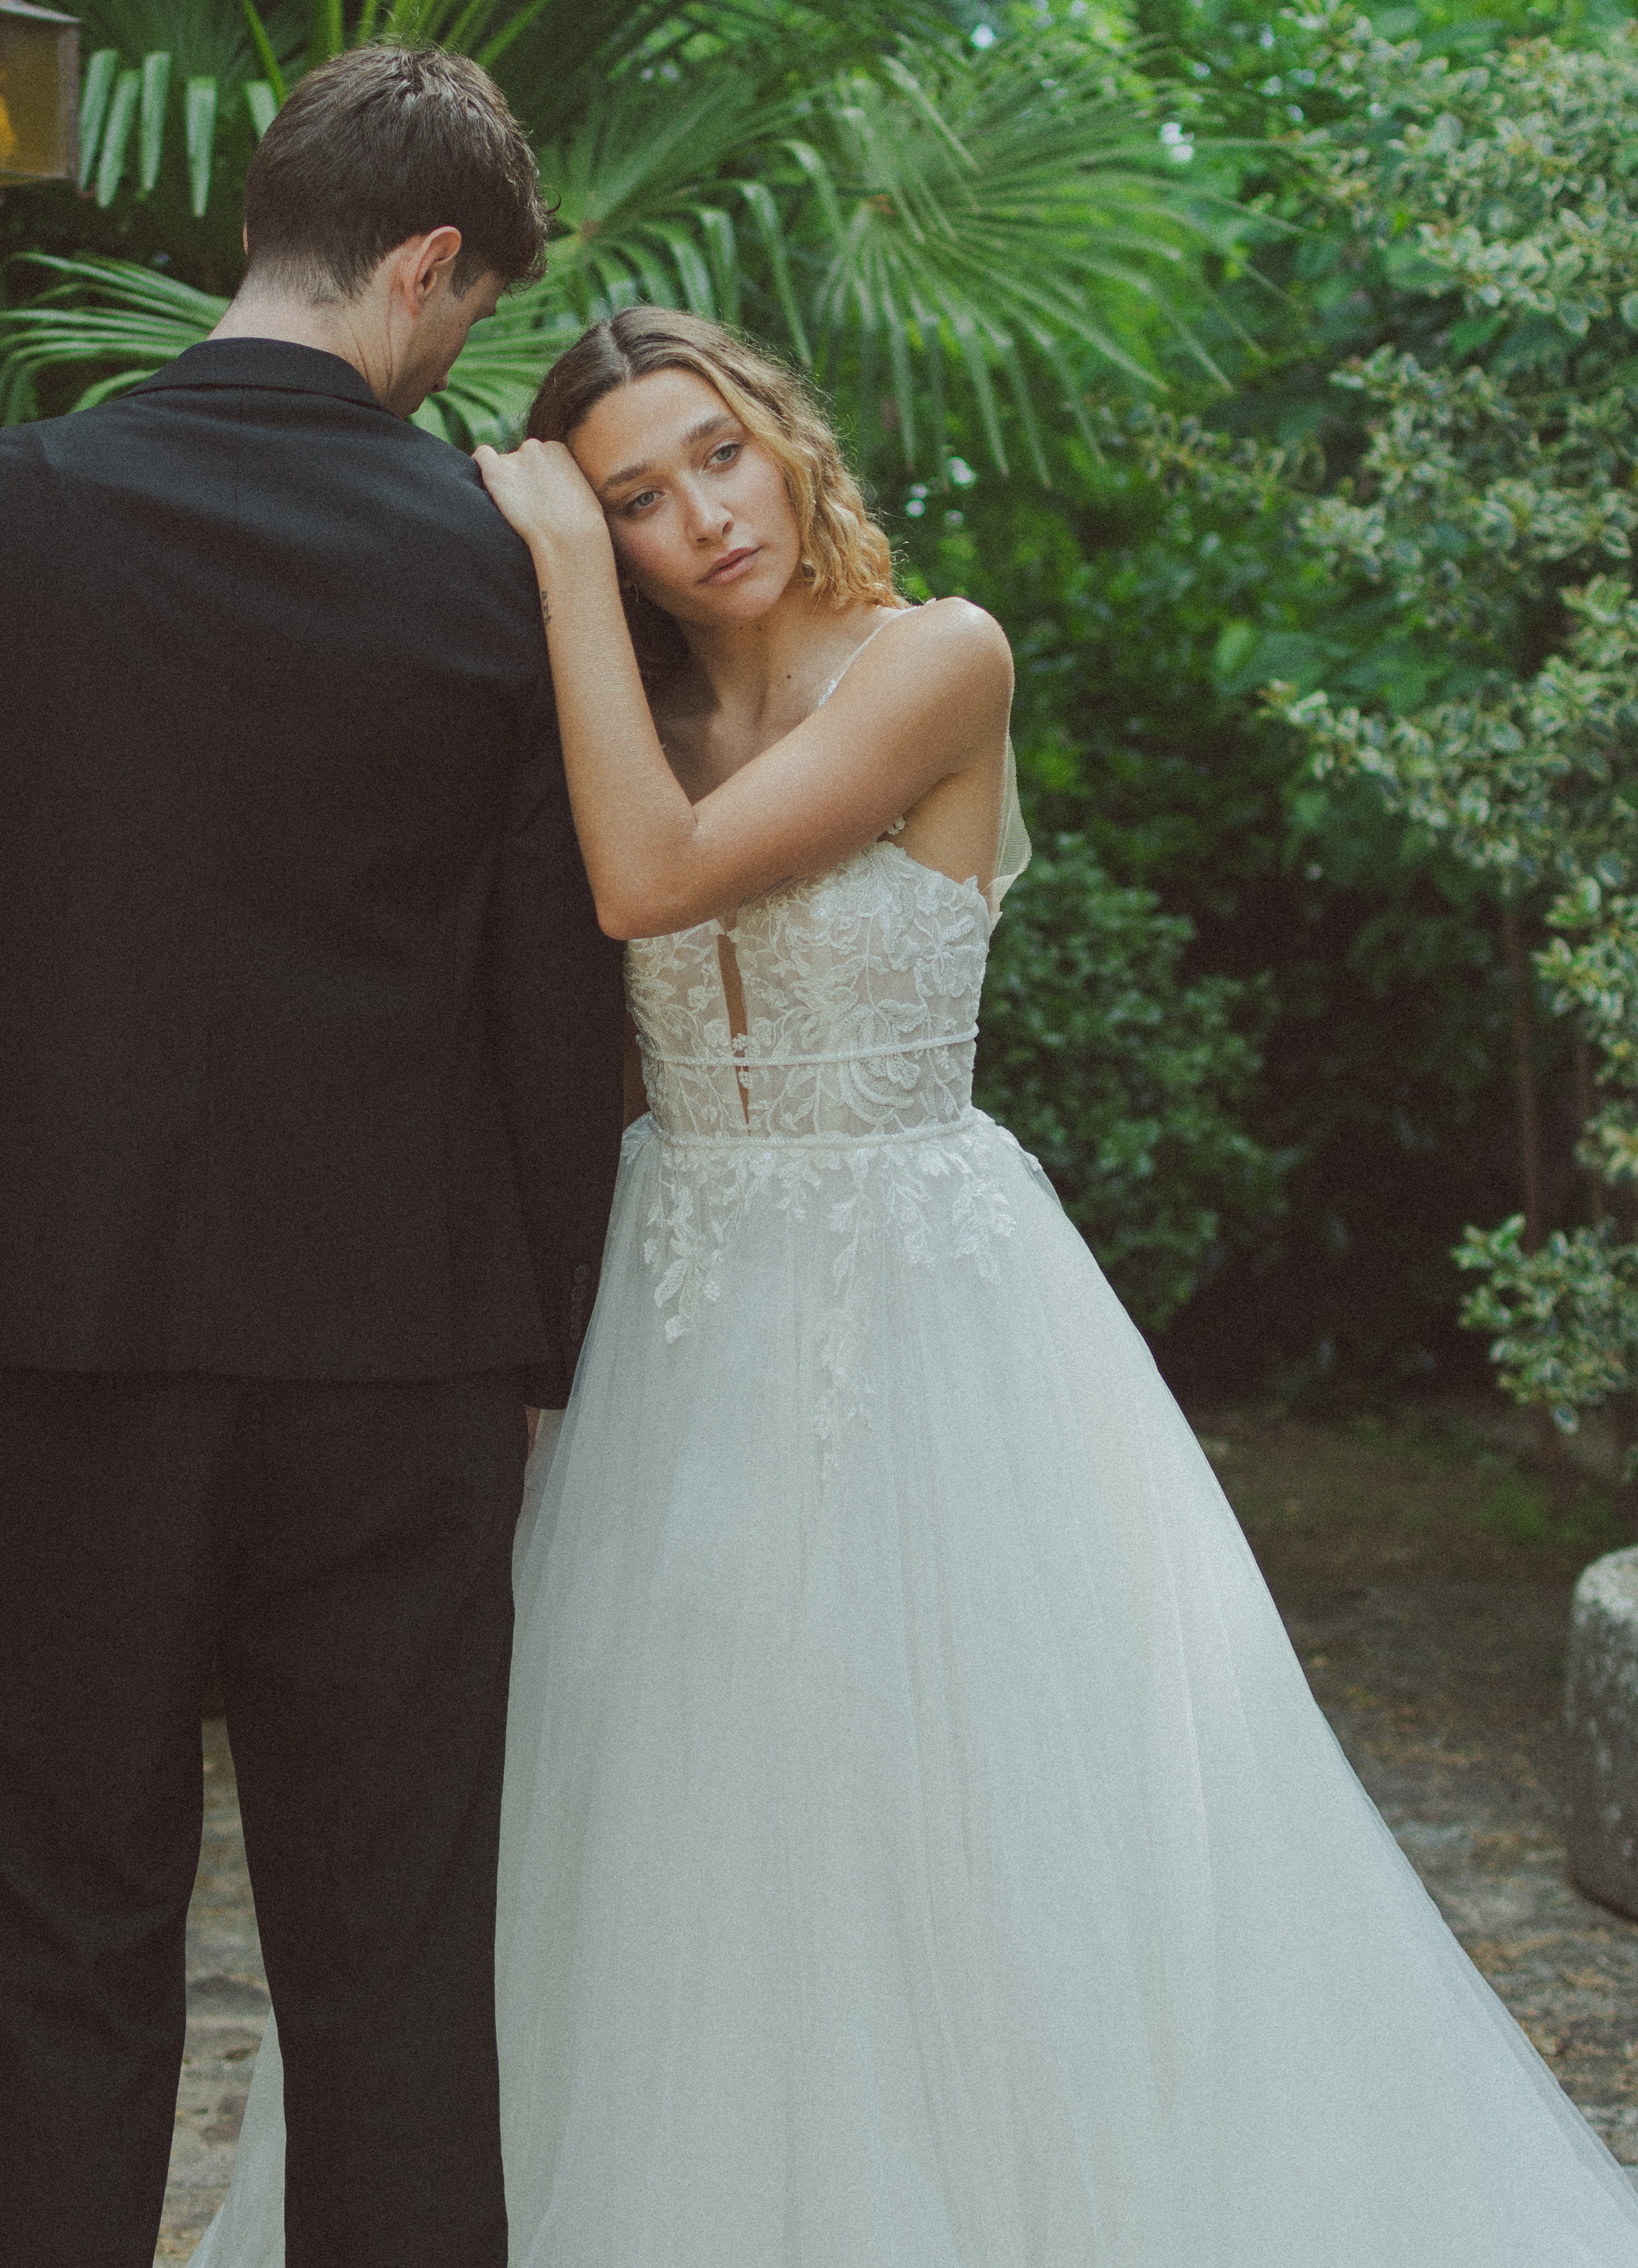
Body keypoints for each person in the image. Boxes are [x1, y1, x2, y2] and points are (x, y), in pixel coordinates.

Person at [201, 302, 1638, 2267]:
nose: (703, 515)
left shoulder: (937, 660)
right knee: (665, 1807)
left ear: (784, 439)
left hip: (930, 1307)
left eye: (719, 451)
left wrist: (539, 556)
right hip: (677, 1300)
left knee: (978, 1790)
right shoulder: (614, 707)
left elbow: (653, 881)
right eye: (630, 496)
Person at [0, 45, 626, 2268]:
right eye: (472, 314)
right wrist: (556, 1335)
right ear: (428, 261)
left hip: (63, 1350)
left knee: (63, 1958)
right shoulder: (496, 553)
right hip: (407, 1369)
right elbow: (553, 993)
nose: (465, 362)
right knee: (389, 1980)